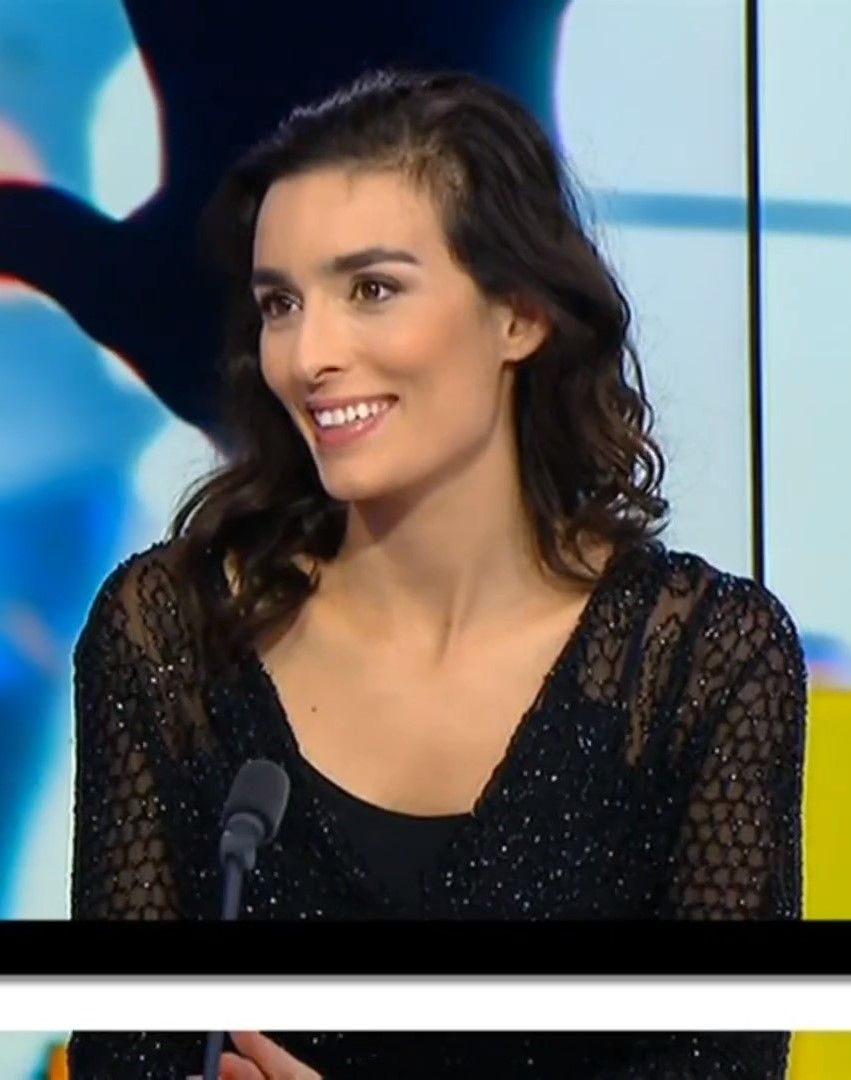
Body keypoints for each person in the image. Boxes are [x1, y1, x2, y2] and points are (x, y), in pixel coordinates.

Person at [67, 67, 807, 1078]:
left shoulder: (702, 662)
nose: (308, 355)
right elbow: (125, 1053)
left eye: (371, 290)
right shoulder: (170, 634)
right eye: (280, 303)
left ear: (520, 315)